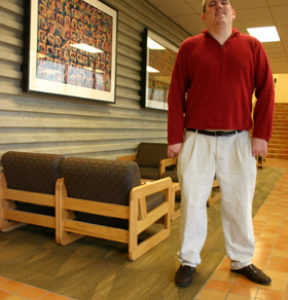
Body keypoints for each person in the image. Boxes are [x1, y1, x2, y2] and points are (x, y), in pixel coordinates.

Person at [167, 0, 274, 287]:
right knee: (192, 202)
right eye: (212, 4)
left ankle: (241, 260)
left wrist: (262, 133)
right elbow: (176, 92)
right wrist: (175, 137)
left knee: (239, 202)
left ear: (233, 11)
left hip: (238, 140)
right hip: (196, 139)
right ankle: (188, 259)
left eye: (224, 2)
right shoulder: (190, 47)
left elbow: (267, 90)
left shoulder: (252, 46)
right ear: (204, 15)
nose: (219, 6)